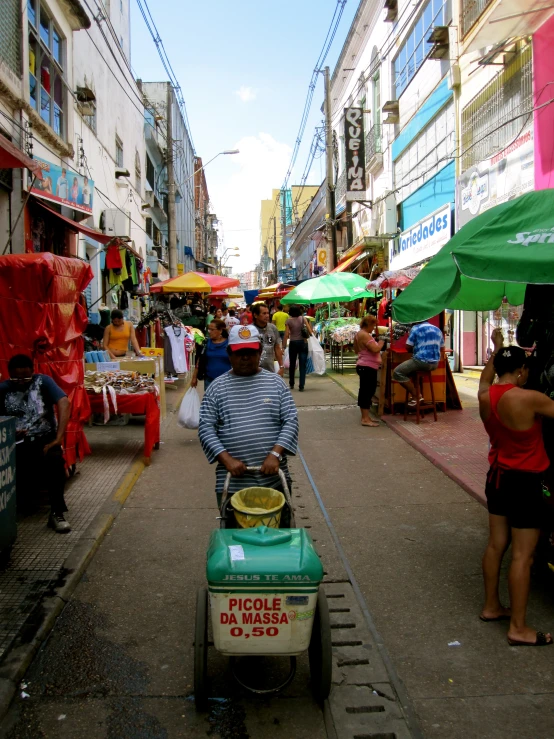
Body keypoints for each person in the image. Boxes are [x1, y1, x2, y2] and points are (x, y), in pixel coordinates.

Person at [478, 329, 553, 647]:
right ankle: (519, 628)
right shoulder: (530, 398)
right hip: (526, 482)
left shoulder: (485, 397)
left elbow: (486, 377)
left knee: (497, 545)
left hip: (498, 478)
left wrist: (497, 348)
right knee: (523, 556)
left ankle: (492, 606)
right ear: (522, 371)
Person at [198, 324, 298, 506]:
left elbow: (290, 421)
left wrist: (275, 454)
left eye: (250, 352)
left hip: (274, 480)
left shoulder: (276, 383)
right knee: (234, 533)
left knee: (279, 531)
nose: (245, 357)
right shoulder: (217, 388)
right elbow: (206, 428)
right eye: (239, 352)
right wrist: (227, 459)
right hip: (232, 482)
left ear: (259, 353)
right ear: (229, 354)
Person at [0, 355, 71, 533]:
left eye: (26, 377)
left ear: (33, 372)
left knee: (55, 462)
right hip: (15, 443)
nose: (21, 382)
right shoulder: (4, 389)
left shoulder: (43, 382)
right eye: (16, 378)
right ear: (9, 375)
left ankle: (57, 513)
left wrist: (58, 438)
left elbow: (64, 402)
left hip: (44, 439)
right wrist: (10, 430)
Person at [392, 320, 444, 405]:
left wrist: (418, 348)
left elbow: (408, 347)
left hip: (421, 361)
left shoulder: (416, 328)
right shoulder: (437, 329)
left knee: (397, 373)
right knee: (411, 372)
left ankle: (416, 395)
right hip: (435, 364)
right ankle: (416, 396)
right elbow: (441, 348)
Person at [354, 315, 385, 427]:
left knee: (366, 391)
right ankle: (365, 419)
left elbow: (356, 349)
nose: (374, 328)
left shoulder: (359, 334)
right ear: (369, 324)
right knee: (367, 392)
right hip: (367, 366)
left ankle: (366, 417)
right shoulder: (364, 335)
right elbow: (375, 349)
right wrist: (381, 341)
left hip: (364, 365)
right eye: (373, 325)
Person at [190, 319, 231, 391]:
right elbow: (199, 361)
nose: (209, 332)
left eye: (212, 330)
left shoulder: (229, 344)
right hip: (209, 380)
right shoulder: (206, 343)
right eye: (208, 329)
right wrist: (194, 377)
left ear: (220, 331)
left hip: (227, 382)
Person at [283, 305, 313, 392]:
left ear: (290, 312)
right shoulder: (303, 319)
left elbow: (286, 335)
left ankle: (291, 383)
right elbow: (310, 331)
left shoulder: (288, 321)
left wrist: (283, 346)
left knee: (292, 364)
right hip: (303, 343)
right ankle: (301, 386)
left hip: (293, 343)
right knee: (302, 365)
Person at [252, 303, 284, 375]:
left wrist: (281, 366)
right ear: (255, 315)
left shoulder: (273, 328)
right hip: (254, 371)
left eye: (267, 313)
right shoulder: (250, 330)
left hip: (270, 370)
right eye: (264, 313)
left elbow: (277, 348)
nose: (267, 316)